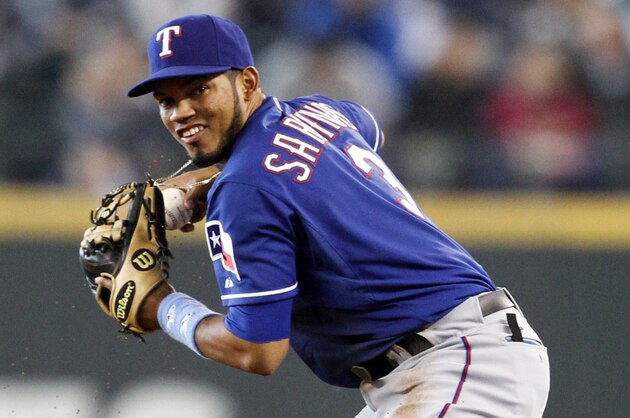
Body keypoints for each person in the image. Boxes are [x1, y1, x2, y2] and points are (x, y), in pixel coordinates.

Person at [96, 14, 550, 417]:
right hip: (445, 363)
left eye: (199, 89)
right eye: (166, 100)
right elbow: (370, 129)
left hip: (459, 364)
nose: (182, 111)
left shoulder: (244, 191)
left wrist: (163, 307)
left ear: (249, 82)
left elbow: (257, 350)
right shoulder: (317, 111)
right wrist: (213, 183)